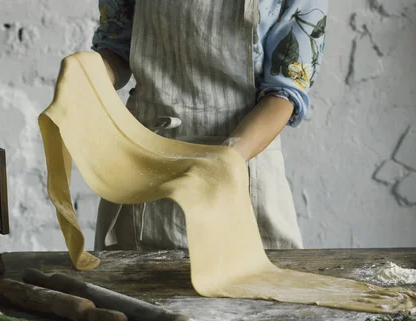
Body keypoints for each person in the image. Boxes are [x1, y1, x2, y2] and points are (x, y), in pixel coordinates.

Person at [91, 0, 328, 252]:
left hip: (242, 169)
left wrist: (228, 159)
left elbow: (285, 92)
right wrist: (86, 72)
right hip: (145, 172)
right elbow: (116, 47)